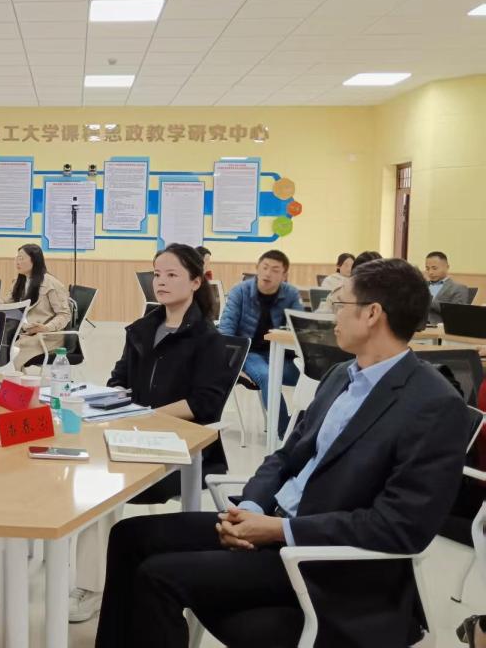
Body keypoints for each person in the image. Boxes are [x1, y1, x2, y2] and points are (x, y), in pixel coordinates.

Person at [95, 257, 471, 648]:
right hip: (274, 525)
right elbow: (285, 456)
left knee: (158, 576)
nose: (331, 316)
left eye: (339, 304)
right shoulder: (341, 375)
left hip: (325, 561)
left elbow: (400, 527)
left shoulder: (433, 405)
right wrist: (251, 508)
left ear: (372, 314)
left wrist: (279, 530)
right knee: (129, 536)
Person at [68, 244, 233, 623]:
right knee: (89, 476)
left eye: (172, 275)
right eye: (158, 274)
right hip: (131, 437)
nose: (161, 281)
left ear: (196, 282)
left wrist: (149, 415)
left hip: (181, 449)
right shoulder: (143, 329)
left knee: (103, 485)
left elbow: (205, 403)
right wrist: (115, 399)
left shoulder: (207, 338)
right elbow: (119, 378)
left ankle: (91, 588)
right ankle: (90, 580)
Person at [219, 250, 302, 438]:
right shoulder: (240, 292)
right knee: (267, 376)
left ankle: (308, 425)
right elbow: (226, 331)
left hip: (281, 356)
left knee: (317, 377)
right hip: (249, 354)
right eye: (264, 267)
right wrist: (232, 365)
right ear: (257, 268)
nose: (268, 273)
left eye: (275, 270)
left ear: (284, 275)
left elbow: (300, 329)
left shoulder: (290, 294)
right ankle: (284, 431)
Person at [7, 244, 71, 372]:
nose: (17, 262)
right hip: (26, 332)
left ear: (34, 260)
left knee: (13, 352)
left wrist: (46, 327)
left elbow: (64, 314)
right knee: (0, 345)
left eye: (21, 258)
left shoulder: (51, 283)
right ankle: (15, 379)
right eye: (17, 258)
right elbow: (8, 301)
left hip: (47, 336)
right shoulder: (20, 281)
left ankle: (14, 381)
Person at [426, 250, 472, 325]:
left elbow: (457, 313)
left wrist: (427, 300)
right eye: (427, 268)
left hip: (438, 327)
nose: (430, 272)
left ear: (447, 267)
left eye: (434, 268)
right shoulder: (420, 286)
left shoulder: (459, 288)